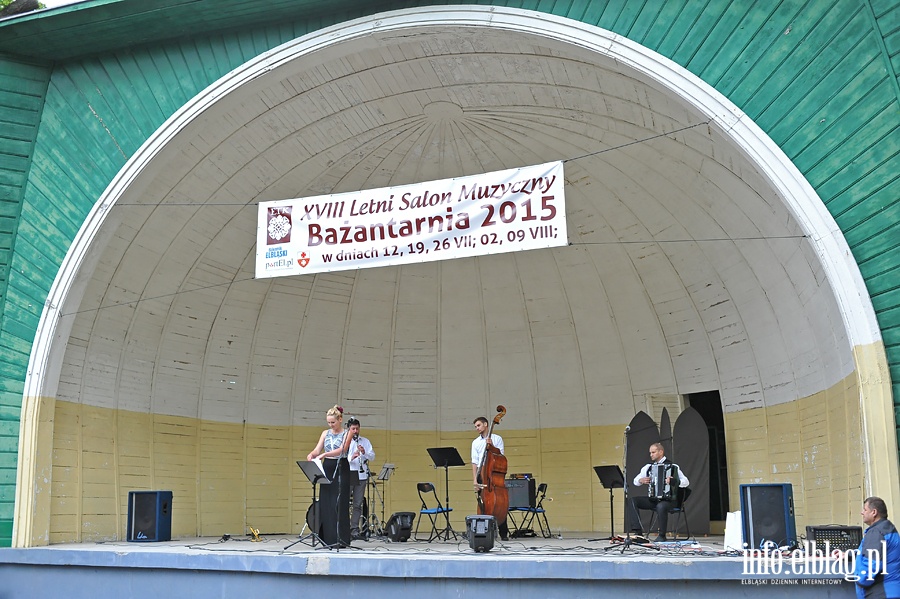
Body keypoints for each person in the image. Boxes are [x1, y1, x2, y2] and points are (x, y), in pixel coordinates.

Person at [306, 405, 352, 547]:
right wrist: (312, 454)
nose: (331, 425)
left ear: (340, 420)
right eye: (329, 422)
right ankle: (328, 538)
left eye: (333, 422)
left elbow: (343, 449)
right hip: (328, 467)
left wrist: (325, 454)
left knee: (339, 503)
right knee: (326, 502)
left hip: (341, 466)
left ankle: (341, 539)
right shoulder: (325, 433)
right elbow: (317, 449)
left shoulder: (347, 433)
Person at [630, 442, 689, 542]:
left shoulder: (673, 466)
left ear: (661, 452)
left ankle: (662, 535)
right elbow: (635, 481)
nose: (651, 455)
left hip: (669, 500)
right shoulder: (648, 467)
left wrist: (674, 481)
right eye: (650, 453)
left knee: (661, 506)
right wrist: (641, 480)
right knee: (632, 501)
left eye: (653, 452)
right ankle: (638, 532)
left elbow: (686, 482)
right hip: (654, 499)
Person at [471, 416, 509, 541]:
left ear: (486, 424)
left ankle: (504, 533)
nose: (477, 428)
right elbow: (475, 462)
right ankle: (483, 532)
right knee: (483, 502)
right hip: (482, 474)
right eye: (476, 426)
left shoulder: (497, 439)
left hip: (493, 474)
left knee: (498, 503)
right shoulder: (475, 443)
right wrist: (475, 480)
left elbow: (501, 456)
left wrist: (491, 447)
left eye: (478, 425)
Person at [854, 496, 900, 598]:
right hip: (892, 590)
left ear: (874, 512)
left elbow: (871, 565)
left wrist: (860, 581)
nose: (862, 513)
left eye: (865, 510)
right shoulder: (888, 528)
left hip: (880, 593)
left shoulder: (876, 532)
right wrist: (851, 554)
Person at [345, 417, 375, 541]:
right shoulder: (344, 441)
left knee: (358, 504)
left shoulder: (365, 441)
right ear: (349, 429)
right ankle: (344, 528)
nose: (356, 431)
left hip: (362, 476)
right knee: (345, 503)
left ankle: (354, 529)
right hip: (349, 473)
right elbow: (341, 458)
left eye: (357, 428)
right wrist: (351, 457)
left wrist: (364, 453)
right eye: (353, 429)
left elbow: (372, 457)